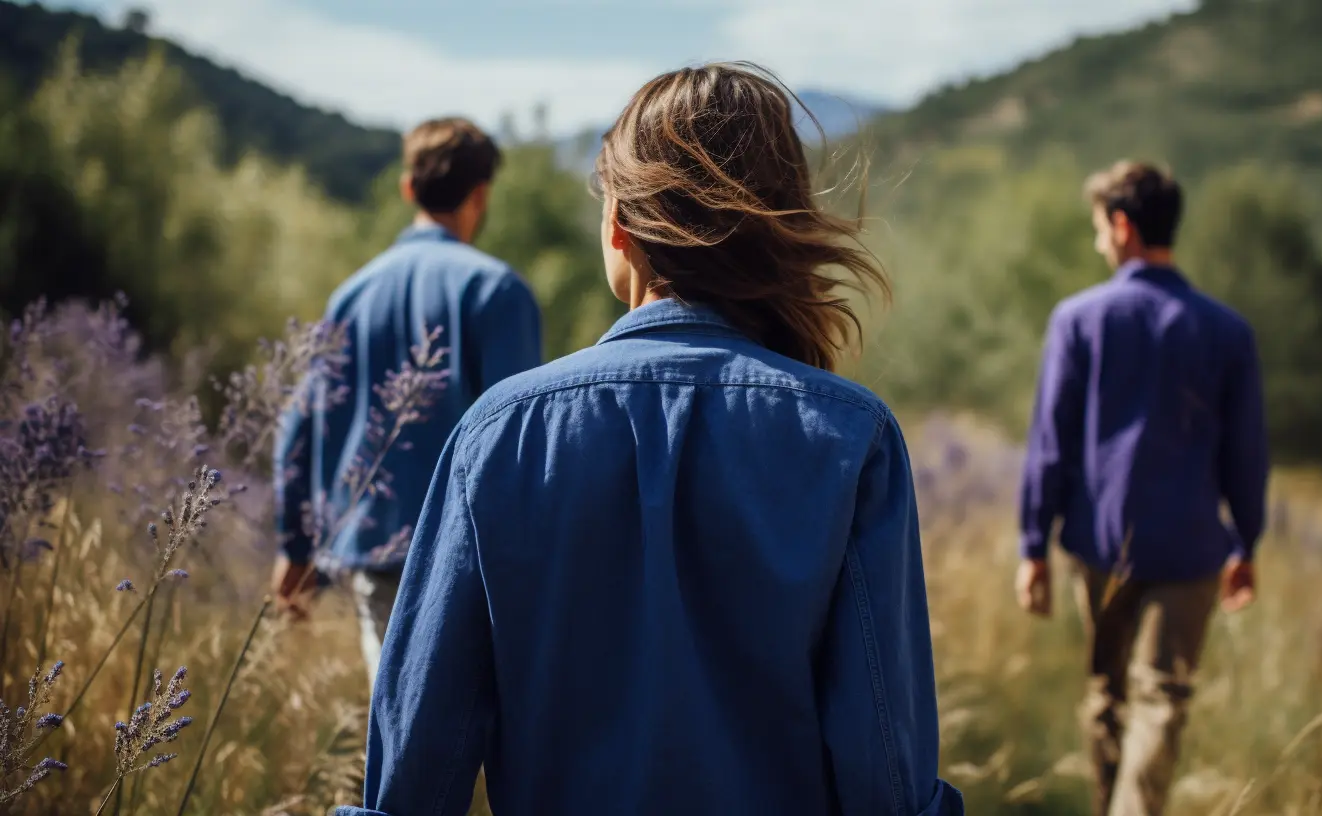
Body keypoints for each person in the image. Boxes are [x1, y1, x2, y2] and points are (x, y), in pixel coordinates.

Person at [335, 63, 962, 816]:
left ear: (619, 225)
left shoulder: (496, 436)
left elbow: (420, 754)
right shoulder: (849, 437)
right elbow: (885, 767)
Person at [1016, 161, 1270, 816]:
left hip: (1100, 546)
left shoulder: (1078, 319)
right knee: (1163, 700)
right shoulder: (1227, 331)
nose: (1100, 242)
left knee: (1108, 698)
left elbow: (1050, 443)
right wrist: (1246, 541)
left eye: (1100, 228)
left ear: (1123, 226)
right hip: (1190, 552)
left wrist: (1033, 545)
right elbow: (1246, 454)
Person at [273, 117, 542, 688]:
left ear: (407, 188)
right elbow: (519, 443)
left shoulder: (352, 294)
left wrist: (295, 548)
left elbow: (301, 424)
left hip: (375, 552)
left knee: (397, 731)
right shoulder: (497, 291)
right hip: (471, 565)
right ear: (480, 195)